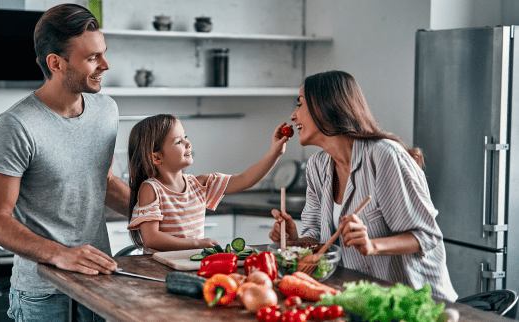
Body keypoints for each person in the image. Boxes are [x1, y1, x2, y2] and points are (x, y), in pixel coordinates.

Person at [0, 4, 130, 322]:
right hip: (43, 294)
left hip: (98, 281)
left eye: (103, 53)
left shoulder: (107, 110)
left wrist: (163, 211)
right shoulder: (16, 125)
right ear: (55, 63)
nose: (105, 65)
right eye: (92, 58)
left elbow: (102, 182)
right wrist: (61, 255)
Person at [268, 70, 458, 301]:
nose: (293, 115)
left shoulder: (383, 157)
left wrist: (372, 245)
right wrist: (296, 241)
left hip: (415, 302)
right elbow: (318, 241)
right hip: (364, 298)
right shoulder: (317, 167)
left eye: (300, 105)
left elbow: (427, 236)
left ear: (325, 107)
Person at [127, 114, 290, 252]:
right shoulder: (151, 189)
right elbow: (151, 239)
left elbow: (245, 179)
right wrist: (197, 244)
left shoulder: (200, 185)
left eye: (185, 137)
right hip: (158, 266)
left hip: (191, 263)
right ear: (156, 157)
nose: (188, 143)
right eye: (178, 142)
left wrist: (275, 152)